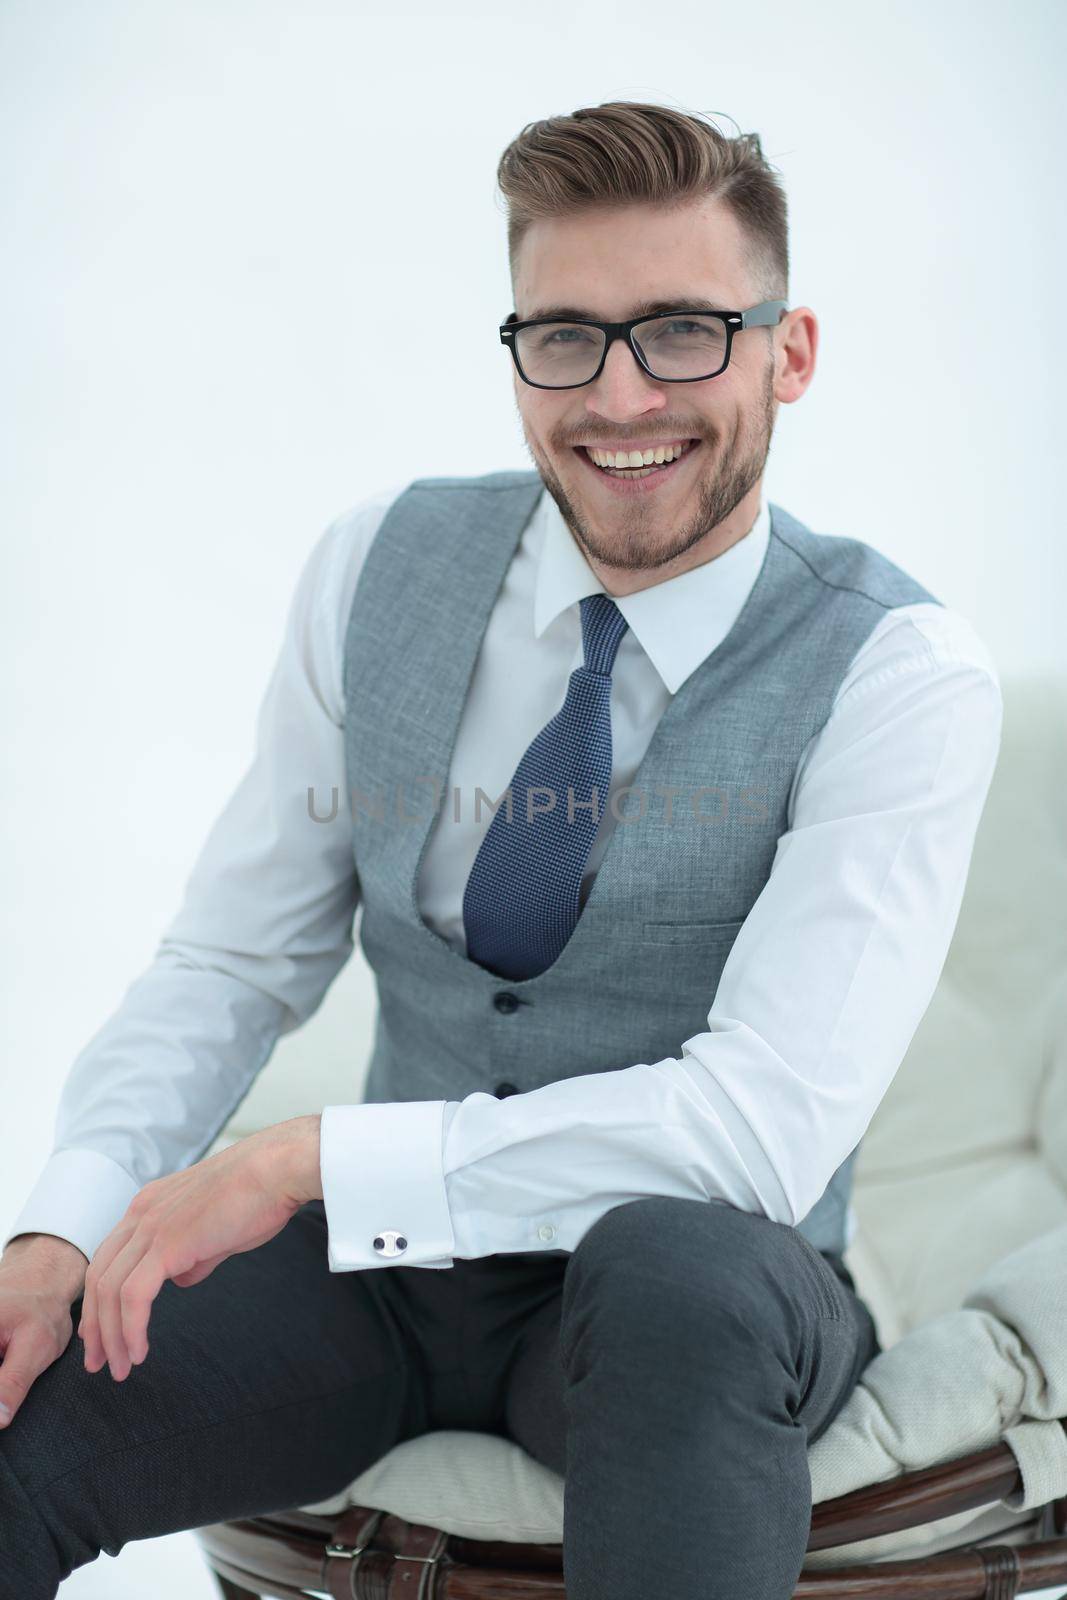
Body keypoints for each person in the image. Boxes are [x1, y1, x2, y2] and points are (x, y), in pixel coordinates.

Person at [0, 100, 1002, 1600]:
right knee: (20, 1419)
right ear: (518, 353)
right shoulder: (375, 565)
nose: (619, 396)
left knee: (678, 1276)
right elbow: (231, 957)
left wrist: (303, 1161)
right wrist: (59, 1227)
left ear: (789, 353)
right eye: (566, 338)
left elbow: (758, 1130)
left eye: (684, 332)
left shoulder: (898, 671)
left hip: (700, 1294)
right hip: (387, 1286)